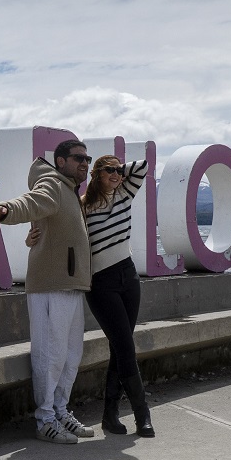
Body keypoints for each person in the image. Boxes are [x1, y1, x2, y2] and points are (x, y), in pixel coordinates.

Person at [0, 139, 95, 444]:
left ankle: (60, 411)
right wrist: (8, 209)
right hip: (52, 285)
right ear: (60, 161)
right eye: (78, 158)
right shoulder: (52, 184)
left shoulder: (70, 191)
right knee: (50, 355)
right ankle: (45, 419)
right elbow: (31, 202)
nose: (84, 163)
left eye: (87, 159)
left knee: (71, 355)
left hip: (71, 284)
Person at [82, 155, 155, 437]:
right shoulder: (83, 206)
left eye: (118, 170)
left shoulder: (125, 192)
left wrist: (117, 171)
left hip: (129, 276)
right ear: (96, 174)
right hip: (101, 283)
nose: (116, 175)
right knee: (125, 347)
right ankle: (142, 416)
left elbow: (144, 165)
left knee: (119, 348)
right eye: (109, 170)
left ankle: (109, 417)